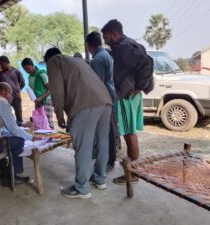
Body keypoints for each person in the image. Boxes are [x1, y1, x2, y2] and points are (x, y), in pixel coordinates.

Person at [44, 47, 112, 199]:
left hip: (86, 103)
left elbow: (57, 90)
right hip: (105, 101)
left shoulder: (54, 61)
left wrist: (59, 114)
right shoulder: (77, 61)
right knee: (102, 141)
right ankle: (99, 179)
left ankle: (82, 188)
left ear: (48, 59)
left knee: (83, 145)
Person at [101, 19, 154, 184]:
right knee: (131, 133)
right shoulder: (129, 44)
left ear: (115, 34)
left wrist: (139, 86)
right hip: (131, 95)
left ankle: (133, 174)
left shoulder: (123, 47)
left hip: (126, 97)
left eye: (107, 38)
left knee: (129, 135)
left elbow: (147, 63)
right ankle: (134, 170)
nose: (106, 42)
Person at [86, 31, 118, 172]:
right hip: (109, 95)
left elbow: (97, 84)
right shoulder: (105, 54)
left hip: (104, 98)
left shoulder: (98, 59)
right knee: (108, 130)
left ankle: (108, 162)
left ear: (89, 45)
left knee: (107, 131)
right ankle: (109, 159)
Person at [21, 57, 54, 129]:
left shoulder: (42, 75)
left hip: (46, 101)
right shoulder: (30, 77)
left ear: (32, 65)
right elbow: (32, 89)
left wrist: (41, 98)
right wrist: (34, 98)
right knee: (40, 121)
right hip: (38, 101)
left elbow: (51, 89)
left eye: (28, 68)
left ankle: (52, 138)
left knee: (48, 121)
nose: (27, 71)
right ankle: (43, 139)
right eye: (25, 69)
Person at [0, 55, 25, 123]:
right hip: (4, 98)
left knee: (19, 114)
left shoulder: (16, 71)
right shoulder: (0, 74)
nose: (0, 66)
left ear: (6, 63)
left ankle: (20, 130)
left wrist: (18, 90)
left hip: (16, 97)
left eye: (1, 64)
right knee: (6, 114)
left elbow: (23, 83)